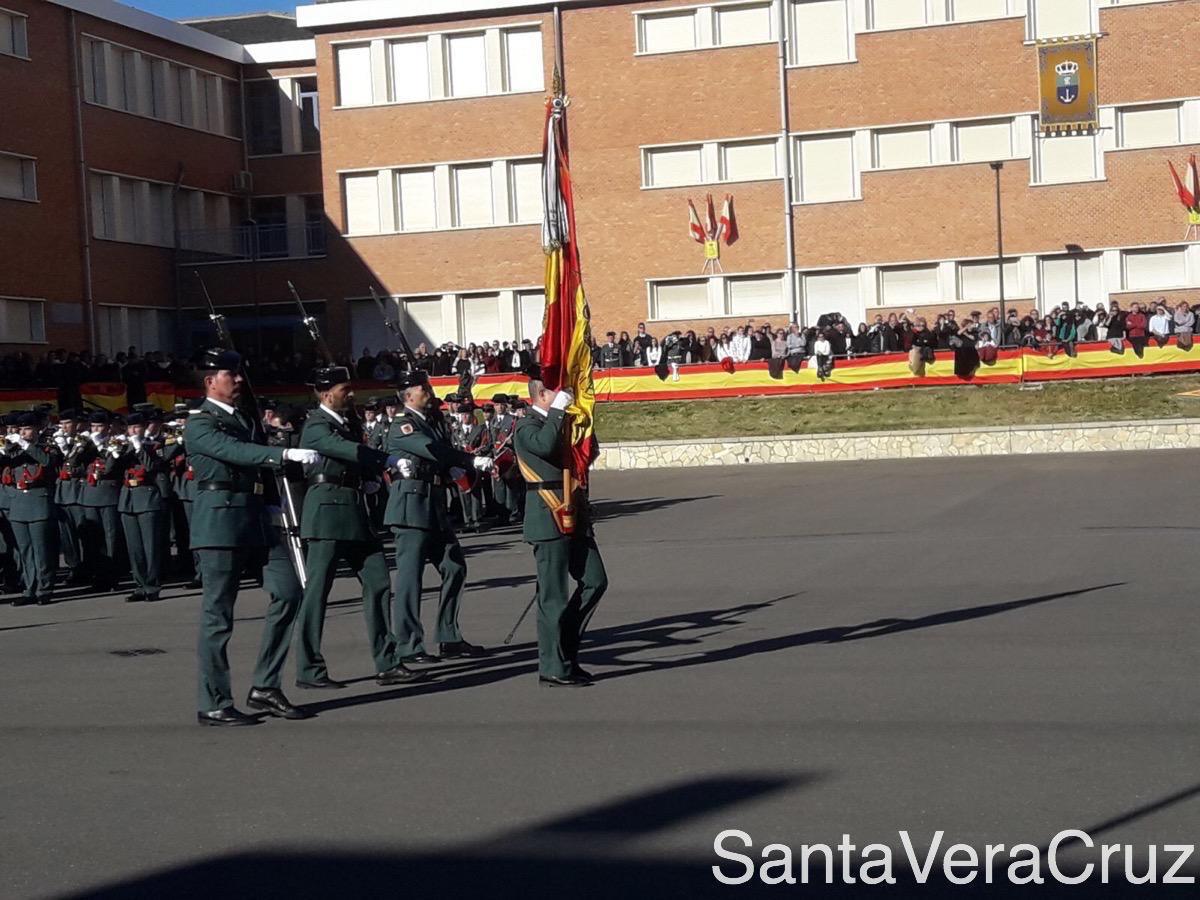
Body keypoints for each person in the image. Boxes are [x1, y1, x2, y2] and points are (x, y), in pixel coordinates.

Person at [186, 348, 322, 726]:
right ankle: (213, 701)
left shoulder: (246, 418)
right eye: (232, 375)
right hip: (221, 522)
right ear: (211, 381)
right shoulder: (199, 423)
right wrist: (283, 454)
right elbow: (232, 451)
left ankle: (265, 685)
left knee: (290, 591)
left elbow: (251, 455)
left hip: (258, 519)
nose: (240, 380)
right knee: (219, 616)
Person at [294, 365, 423, 689]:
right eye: (343, 389)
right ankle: (309, 668)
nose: (350, 394)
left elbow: (353, 454)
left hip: (353, 509)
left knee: (378, 581)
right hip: (326, 512)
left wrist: (367, 479)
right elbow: (343, 450)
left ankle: (387, 660)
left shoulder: (345, 422)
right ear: (326, 394)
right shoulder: (316, 425)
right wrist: (385, 461)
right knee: (317, 593)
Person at [384, 371, 493, 663]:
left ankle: (448, 636)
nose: (429, 392)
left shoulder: (428, 422)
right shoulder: (403, 425)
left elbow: (440, 449)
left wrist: (455, 469)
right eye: (424, 388)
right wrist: (468, 460)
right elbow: (431, 450)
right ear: (408, 395)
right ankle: (408, 645)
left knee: (454, 566)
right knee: (410, 579)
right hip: (410, 508)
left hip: (433, 506)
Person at [514, 376, 607, 687]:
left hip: (573, 510)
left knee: (595, 581)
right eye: (556, 389)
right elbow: (544, 445)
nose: (564, 393)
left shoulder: (560, 422)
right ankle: (553, 666)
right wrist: (556, 412)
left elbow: (577, 453)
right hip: (547, 512)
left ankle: (566, 649)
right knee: (553, 595)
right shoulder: (526, 425)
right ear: (542, 394)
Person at [2, 413, 60, 606]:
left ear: (36, 429)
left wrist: (26, 444)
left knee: (41, 549)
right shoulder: (13, 450)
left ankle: (44, 589)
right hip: (18, 502)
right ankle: (30, 588)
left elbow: (48, 462)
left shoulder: (47, 446)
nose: (23, 433)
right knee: (25, 549)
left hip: (39, 500)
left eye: (26, 429)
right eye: (20, 430)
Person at [115, 411, 170, 603]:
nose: (132, 431)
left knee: (151, 546)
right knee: (135, 548)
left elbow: (151, 468)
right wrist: (114, 452)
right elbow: (109, 468)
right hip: (127, 499)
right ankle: (139, 585)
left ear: (144, 427)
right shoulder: (124, 447)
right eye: (129, 427)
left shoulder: (155, 445)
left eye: (136, 427)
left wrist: (139, 447)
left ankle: (153, 585)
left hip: (148, 498)